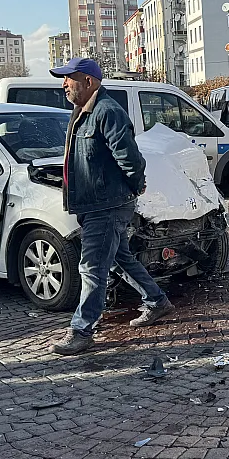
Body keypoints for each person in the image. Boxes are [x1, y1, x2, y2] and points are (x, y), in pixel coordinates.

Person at [48, 57, 176, 355]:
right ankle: (157, 302)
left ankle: (81, 330)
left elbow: (130, 158)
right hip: (95, 203)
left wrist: (135, 186)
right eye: (63, 78)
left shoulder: (106, 111)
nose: (64, 84)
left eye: (69, 78)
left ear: (89, 82)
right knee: (120, 258)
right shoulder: (82, 111)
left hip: (108, 204)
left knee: (91, 267)